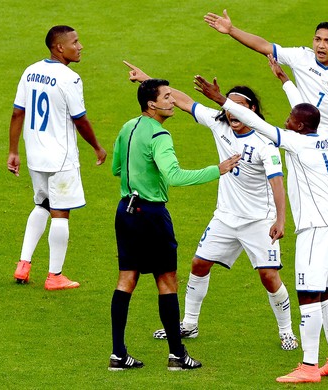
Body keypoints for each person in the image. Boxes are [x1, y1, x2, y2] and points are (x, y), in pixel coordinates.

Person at [122, 62, 298, 351]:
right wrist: (147, 79)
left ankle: (286, 331)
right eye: (229, 106)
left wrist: (280, 219)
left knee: (269, 276)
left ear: (252, 110)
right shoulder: (220, 124)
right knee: (199, 264)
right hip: (226, 217)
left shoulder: (265, 142)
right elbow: (185, 101)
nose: (232, 112)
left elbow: (277, 181)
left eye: (238, 106)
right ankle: (189, 324)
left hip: (258, 220)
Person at [195, 75, 328, 383]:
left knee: (309, 296)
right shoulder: (326, 136)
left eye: (290, 121)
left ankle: (308, 367)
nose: (285, 122)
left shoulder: (295, 141)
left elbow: (258, 124)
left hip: (316, 228)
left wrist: (221, 100)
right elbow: (304, 111)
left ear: (300, 127)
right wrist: (286, 82)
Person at [108, 77, 241, 371]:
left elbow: (117, 167)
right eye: (167, 97)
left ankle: (118, 354)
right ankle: (177, 356)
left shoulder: (128, 127)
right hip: (151, 215)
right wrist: (217, 169)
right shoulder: (160, 136)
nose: (172, 101)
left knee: (126, 280)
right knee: (166, 282)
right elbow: (175, 176)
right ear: (152, 104)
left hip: (125, 212)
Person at [204, 11, 328, 202]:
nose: (321, 45)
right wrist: (231, 30)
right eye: (317, 39)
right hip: (302, 145)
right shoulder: (301, 57)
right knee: (307, 202)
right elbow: (264, 46)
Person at [7, 25, 107, 290]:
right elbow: (80, 120)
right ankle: (55, 276)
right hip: (61, 157)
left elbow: (18, 112)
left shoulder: (30, 71)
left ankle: (23, 265)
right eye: (75, 41)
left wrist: (13, 150)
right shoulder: (69, 78)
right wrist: (97, 147)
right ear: (59, 47)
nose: (81, 46)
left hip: (35, 154)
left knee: (41, 204)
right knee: (60, 213)